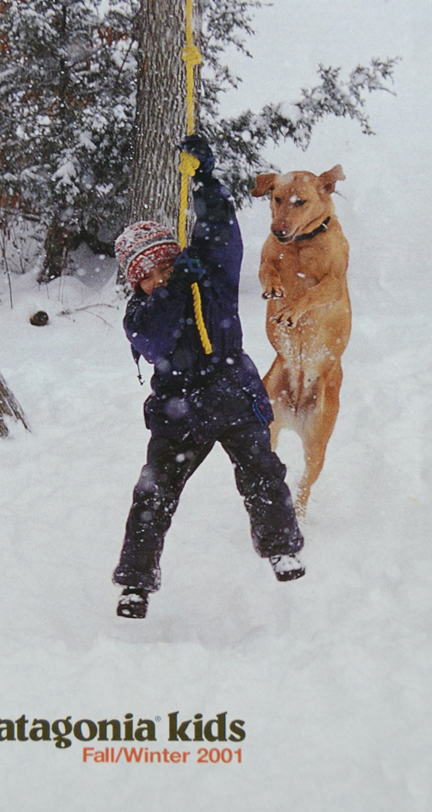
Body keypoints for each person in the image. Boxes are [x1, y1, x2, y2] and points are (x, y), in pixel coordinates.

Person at [112, 136, 305, 619]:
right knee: (153, 494)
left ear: (176, 256)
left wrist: (205, 181)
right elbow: (155, 339)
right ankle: (135, 583)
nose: (159, 276)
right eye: (147, 274)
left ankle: (282, 548)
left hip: (233, 392)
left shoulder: (209, 275)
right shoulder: (139, 314)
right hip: (179, 411)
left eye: (164, 265)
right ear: (135, 282)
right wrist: (174, 288)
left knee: (262, 473)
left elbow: (221, 231)